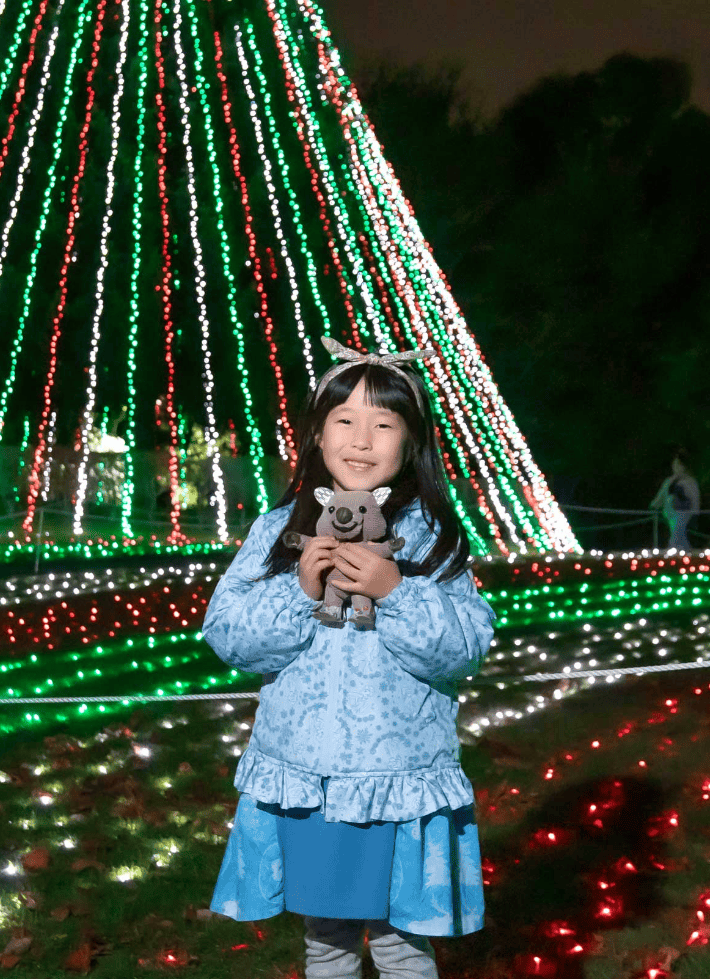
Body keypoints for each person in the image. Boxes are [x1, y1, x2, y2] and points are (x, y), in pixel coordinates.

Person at [201, 338, 493, 979]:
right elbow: (227, 635)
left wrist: (395, 594)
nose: (362, 440)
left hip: (398, 783)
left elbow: (465, 648)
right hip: (312, 783)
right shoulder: (279, 530)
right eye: (344, 420)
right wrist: (298, 591)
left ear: (411, 440)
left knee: (399, 945)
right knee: (327, 940)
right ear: (316, 434)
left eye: (383, 424)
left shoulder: (431, 536)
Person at [649, 451, 701, 551]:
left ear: (684, 466)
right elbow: (660, 498)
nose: (675, 466)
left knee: (676, 537)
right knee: (678, 537)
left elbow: (695, 500)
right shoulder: (669, 481)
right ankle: (686, 557)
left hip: (684, 514)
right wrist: (653, 506)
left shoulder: (690, 482)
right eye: (674, 464)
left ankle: (679, 557)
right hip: (670, 515)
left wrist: (695, 513)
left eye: (677, 464)